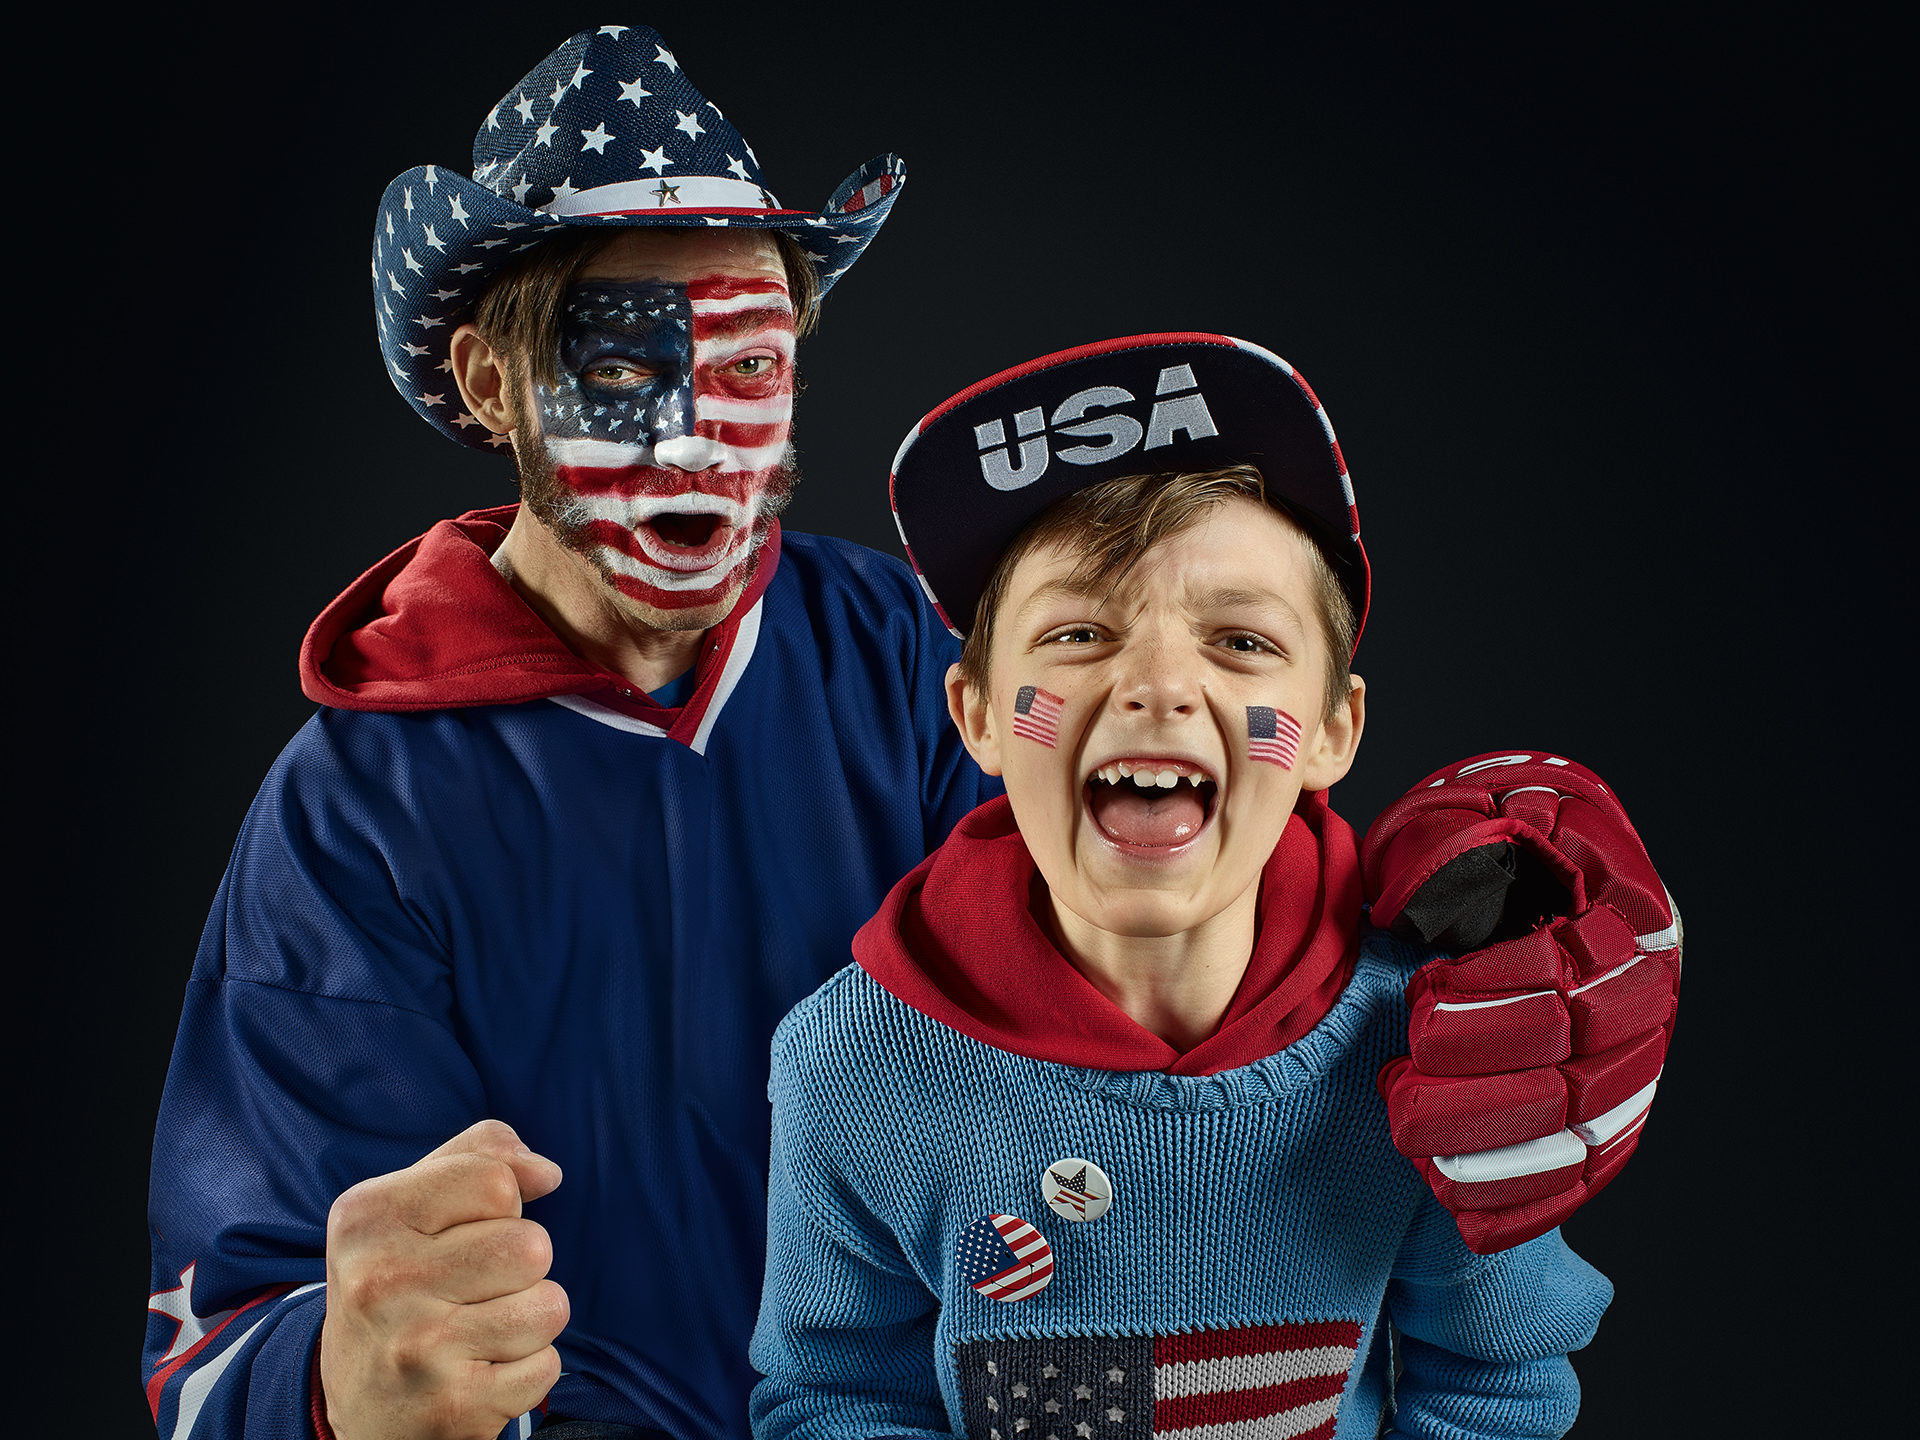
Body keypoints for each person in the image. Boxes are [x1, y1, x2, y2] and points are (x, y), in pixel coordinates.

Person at [143, 26, 991, 1440]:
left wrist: (1439, 937)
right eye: (616, 368)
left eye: (747, 368)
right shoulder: (354, 816)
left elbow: (1160, 965)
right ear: (489, 385)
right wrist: (336, 1380)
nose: (691, 444)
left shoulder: (910, 657)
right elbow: (226, 1322)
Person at [751, 334, 1680, 1439]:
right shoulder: (851, 1066)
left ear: (1332, 732)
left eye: (1241, 641)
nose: (1155, 685)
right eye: (1080, 631)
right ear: (981, 717)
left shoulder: (1436, 1043)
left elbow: (1495, 1385)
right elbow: (839, 1399)